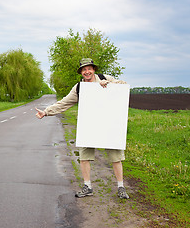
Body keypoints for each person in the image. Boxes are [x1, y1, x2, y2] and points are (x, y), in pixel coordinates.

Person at [35, 58, 130, 199]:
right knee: (84, 157)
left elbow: (124, 86)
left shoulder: (105, 78)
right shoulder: (79, 87)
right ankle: (88, 187)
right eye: (84, 69)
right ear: (81, 72)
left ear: (94, 69)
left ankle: (121, 188)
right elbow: (64, 103)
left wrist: (109, 84)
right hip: (89, 126)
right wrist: (46, 111)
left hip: (109, 126)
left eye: (89, 68)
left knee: (116, 157)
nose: (87, 71)